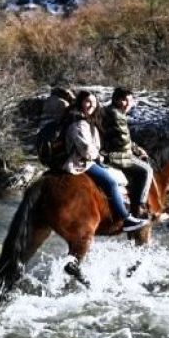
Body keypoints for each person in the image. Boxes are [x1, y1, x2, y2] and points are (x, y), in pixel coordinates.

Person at [61, 90, 149, 232]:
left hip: (88, 159)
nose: (91, 105)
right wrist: (100, 157)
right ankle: (126, 219)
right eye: (88, 102)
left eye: (94, 103)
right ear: (81, 102)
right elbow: (86, 150)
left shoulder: (86, 120)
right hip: (81, 163)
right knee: (111, 182)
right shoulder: (79, 123)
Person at [101, 87, 154, 217]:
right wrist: (135, 152)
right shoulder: (117, 115)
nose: (127, 104)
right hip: (116, 155)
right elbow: (123, 141)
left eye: (129, 100)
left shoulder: (109, 111)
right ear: (116, 100)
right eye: (124, 100)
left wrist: (136, 148)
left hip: (108, 151)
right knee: (147, 170)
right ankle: (140, 207)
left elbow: (125, 138)